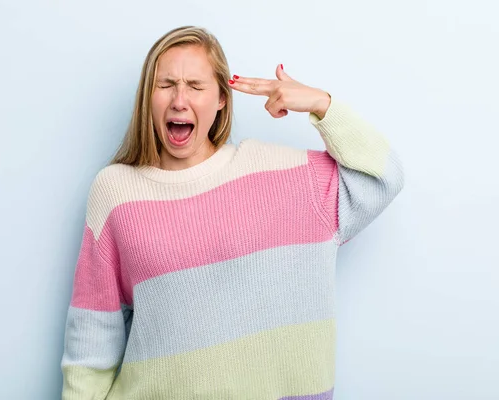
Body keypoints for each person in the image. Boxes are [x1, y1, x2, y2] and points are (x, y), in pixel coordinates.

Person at [60, 25, 404, 400]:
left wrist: (322, 104)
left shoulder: (286, 177)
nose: (179, 100)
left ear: (222, 98)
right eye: (165, 85)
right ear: (148, 98)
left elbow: (382, 177)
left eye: (195, 85)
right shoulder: (115, 192)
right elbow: (91, 344)